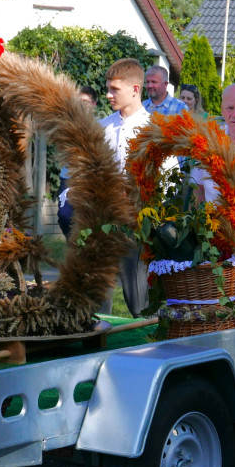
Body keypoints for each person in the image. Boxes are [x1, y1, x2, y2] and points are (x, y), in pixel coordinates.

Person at [100, 59, 151, 314]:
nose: (108, 95)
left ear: (135, 89)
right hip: (103, 219)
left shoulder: (152, 129)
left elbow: (167, 182)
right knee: (99, 295)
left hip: (136, 222)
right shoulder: (102, 127)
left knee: (139, 297)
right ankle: (98, 347)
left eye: (114, 89)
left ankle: (149, 348)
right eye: (108, 88)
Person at [57, 86, 98, 238]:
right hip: (69, 178)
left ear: (93, 104)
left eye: (86, 102)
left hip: (91, 180)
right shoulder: (66, 123)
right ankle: (72, 245)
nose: (82, 106)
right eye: (79, 102)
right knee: (65, 216)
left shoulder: (101, 126)